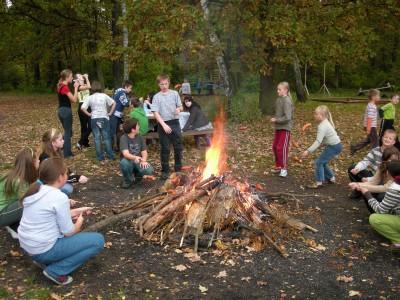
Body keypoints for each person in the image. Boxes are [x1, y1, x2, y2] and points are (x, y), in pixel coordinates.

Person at [18, 158, 104, 285]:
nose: (67, 176)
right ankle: (56, 271)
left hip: (30, 247)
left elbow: (50, 216)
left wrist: (78, 210)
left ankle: (46, 260)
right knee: (97, 241)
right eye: (66, 173)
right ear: (60, 177)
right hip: (43, 249)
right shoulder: (59, 197)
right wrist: (79, 221)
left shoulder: (37, 190)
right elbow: (69, 232)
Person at [355, 160, 400, 250]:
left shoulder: (395, 189)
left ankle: (398, 240)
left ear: (387, 172)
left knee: (375, 218)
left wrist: (367, 194)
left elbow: (380, 210)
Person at [348, 129, 397, 199]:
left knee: (380, 195)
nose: (387, 139)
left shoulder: (394, 154)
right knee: (352, 168)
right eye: (385, 137)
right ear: (382, 138)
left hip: (384, 180)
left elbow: (385, 176)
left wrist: (369, 179)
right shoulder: (375, 150)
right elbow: (366, 161)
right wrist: (357, 168)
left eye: (390, 138)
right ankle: (358, 190)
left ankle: (369, 192)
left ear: (393, 142)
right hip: (374, 175)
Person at [301, 105, 342, 189]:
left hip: (334, 146)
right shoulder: (325, 122)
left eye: (316, 114)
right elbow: (323, 140)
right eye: (314, 114)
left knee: (319, 162)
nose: (314, 115)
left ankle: (319, 182)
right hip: (336, 146)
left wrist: (308, 151)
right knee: (323, 162)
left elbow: (318, 141)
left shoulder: (322, 126)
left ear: (322, 116)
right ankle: (331, 178)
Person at [151, 74, 183, 179]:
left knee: (178, 147)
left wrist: (178, 109)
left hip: (175, 123)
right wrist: (164, 125)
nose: (164, 86)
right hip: (163, 124)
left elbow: (180, 106)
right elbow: (155, 113)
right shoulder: (156, 97)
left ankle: (178, 169)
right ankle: (165, 171)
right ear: (158, 85)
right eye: (161, 84)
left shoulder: (174, 94)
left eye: (166, 84)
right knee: (165, 148)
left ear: (168, 83)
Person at [40, 128, 88, 196]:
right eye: (60, 139)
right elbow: (56, 179)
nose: (63, 141)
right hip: (47, 185)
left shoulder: (56, 152)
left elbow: (61, 167)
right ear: (53, 142)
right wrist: (77, 178)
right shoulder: (47, 158)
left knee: (69, 184)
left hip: (53, 182)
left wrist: (71, 173)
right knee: (68, 188)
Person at [0, 148, 38, 230]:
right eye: (37, 159)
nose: (39, 161)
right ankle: (15, 227)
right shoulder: (18, 180)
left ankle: (13, 222)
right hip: (1, 213)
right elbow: (29, 199)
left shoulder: (15, 174)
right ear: (31, 163)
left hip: (6, 208)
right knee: (29, 203)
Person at [81, 81, 116, 162]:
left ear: (92, 88)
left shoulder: (90, 97)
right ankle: (110, 156)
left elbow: (82, 108)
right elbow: (114, 103)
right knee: (106, 138)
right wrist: (110, 113)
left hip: (94, 118)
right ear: (100, 88)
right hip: (104, 117)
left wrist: (89, 114)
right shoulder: (104, 96)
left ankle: (100, 157)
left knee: (97, 138)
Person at [119, 119, 154, 188]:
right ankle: (128, 181)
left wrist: (143, 161)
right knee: (124, 163)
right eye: (137, 125)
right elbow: (126, 154)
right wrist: (135, 157)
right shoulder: (124, 138)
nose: (139, 127)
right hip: (128, 160)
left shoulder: (140, 137)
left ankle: (138, 177)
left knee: (149, 170)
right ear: (133, 129)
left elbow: (144, 152)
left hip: (138, 160)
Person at [270, 81, 294, 178]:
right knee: (275, 147)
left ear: (285, 90)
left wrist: (276, 119)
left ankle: (284, 169)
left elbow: (288, 117)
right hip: (278, 127)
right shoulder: (279, 99)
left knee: (282, 148)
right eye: (277, 89)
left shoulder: (287, 101)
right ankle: (279, 166)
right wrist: (275, 119)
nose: (277, 91)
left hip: (285, 128)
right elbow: (279, 112)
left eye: (279, 89)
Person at [57, 69, 79, 158]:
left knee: (69, 132)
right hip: (66, 111)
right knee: (67, 132)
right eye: (71, 76)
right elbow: (74, 100)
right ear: (67, 77)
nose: (72, 78)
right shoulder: (64, 87)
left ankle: (59, 145)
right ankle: (67, 153)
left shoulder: (60, 85)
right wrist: (76, 88)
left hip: (61, 111)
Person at [350, 89, 380, 154]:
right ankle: (375, 155)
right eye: (378, 95)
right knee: (375, 142)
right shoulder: (372, 107)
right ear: (373, 97)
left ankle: (354, 147)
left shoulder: (370, 104)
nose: (379, 97)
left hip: (370, 126)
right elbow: (369, 118)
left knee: (368, 140)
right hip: (371, 127)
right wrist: (368, 129)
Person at [110, 80, 133, 150]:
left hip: (117, 113)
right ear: (126, 87)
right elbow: (125, 103)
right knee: (113, 130)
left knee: (117, 130)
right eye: (130, 88)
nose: (130, 90)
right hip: (114, 114)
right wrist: (132, 102)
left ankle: (116, 145)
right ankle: (113, 146)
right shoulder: (122, 93)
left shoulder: (119, 91)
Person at [76, 74, 92, 150]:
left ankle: (81, 142)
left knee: (91, 125)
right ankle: (85, 142)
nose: (81, 76)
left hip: (88, 107)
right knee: (84, 127)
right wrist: (86, 77)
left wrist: (86, 79)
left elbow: (89, 86)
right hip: (82, 107)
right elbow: (89, 87)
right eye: (79, 75)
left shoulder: (85, 84)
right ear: (77, 79)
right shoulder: (78, 86)